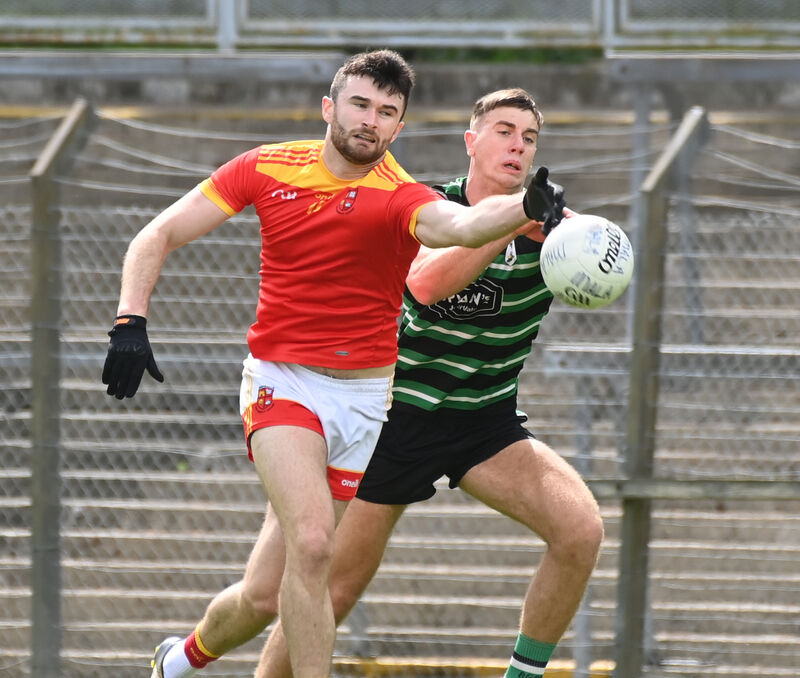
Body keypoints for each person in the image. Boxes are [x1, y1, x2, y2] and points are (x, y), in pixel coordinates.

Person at [100, 51, 565, 678]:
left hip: (365, 401)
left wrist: (524, 208)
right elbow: (157, 234)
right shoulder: (266, 166)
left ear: (399, 128)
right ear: (330, 107)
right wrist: (131, 319)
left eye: (387, 113)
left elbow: (460, 224)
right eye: (361, 105)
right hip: (282, 382)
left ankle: (180, 658)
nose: (370, 121)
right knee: (315, 544)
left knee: (265, 596)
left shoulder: (401, 196)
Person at [254, 88, 604, 678]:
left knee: (580, 531)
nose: (517, 145)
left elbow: (601, 268)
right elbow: (425, 283)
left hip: (482, 421)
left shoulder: (555, 233)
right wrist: (513, 218)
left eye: (529, 138)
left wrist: (590, 250)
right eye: (503, 130)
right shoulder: (425, 205)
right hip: (393, 420)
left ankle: (523, 675)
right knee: (329, 593)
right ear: (471, 142)